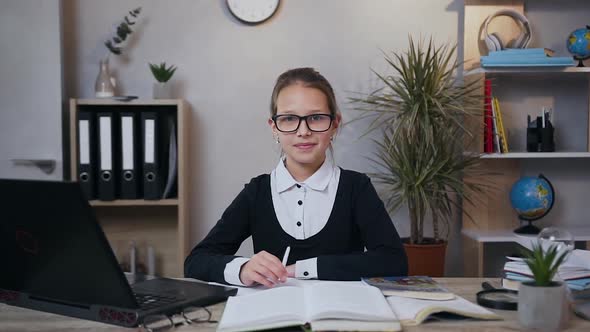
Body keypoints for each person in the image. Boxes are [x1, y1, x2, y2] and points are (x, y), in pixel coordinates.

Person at [184, 67, 407, 287]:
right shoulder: (257, 192)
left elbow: (393, 261)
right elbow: (197, 261)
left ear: (335, 124)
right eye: (289, 118)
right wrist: (243, 268)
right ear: (274, 127)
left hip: (339, 317)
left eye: (317, 117)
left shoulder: (356, 187)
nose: (303, 131)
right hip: (274, 316)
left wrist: (300, 269)